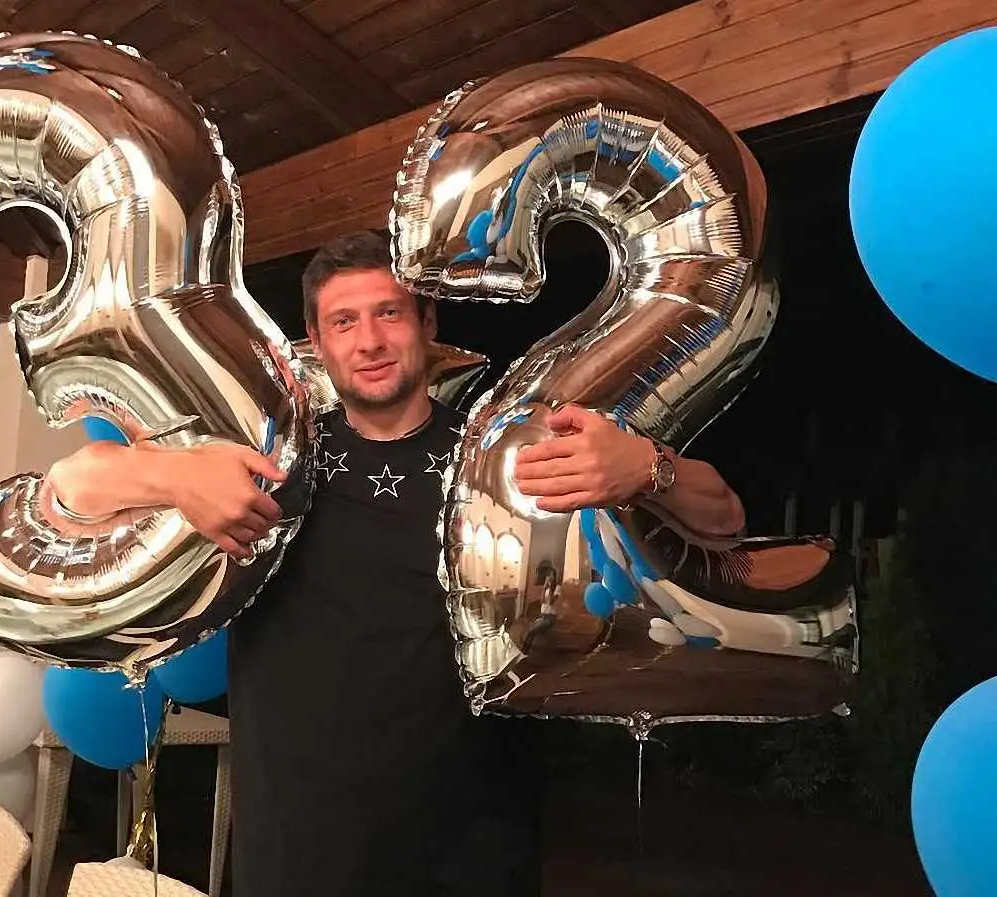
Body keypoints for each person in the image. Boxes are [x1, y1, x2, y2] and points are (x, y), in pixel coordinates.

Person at [45, 230, 746, 897]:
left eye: (389, 313)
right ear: (316, 341)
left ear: (427, 323)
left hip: (474, 858)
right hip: (298, 859)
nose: (370, 340)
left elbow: (725, 523)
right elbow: (69, 488)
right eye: (343, 322)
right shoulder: (272, 464)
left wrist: (648, 467)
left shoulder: (503, 462)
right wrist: (170, 476)